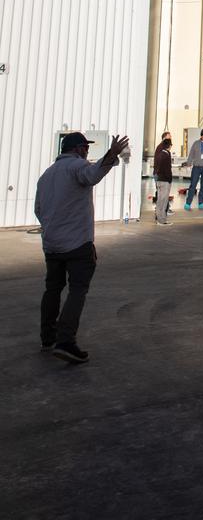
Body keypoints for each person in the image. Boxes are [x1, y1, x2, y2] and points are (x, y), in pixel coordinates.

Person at [34, 130, 130, 364]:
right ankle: (65, 341)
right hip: (77, 243)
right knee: (77, 289)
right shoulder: (77, 167)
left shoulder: (46, 175)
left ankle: (48, 337)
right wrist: (111, 153)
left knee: (53, 289)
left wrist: (51, 228)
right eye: (85, 148)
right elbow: (93, 175)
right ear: (77, 149)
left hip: (51, 244)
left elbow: (38, 209)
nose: (87, 152)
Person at [153, 131, 173, 226]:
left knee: (161, 199)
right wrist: (169, 179)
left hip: (160, 177)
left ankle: (161, 217)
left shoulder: (161, 151)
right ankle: (160, 219)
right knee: (162, 199)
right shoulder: (164, 152)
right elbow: (165, 168)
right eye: (169, 138)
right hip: (163, 178)